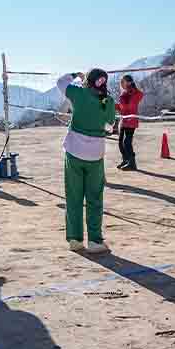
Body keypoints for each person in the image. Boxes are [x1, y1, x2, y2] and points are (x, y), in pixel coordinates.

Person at [58, 68, 116, 254]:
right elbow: (110, 125)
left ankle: (75, 239)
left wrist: (75, 74)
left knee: (73, 196)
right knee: (94, 198)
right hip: (95, 154)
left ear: (88, 80)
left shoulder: (79, 92)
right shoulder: (107, 100)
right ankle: (95, 241)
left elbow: (60, 81)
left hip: (74, 151)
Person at [113, 74, 144, 171]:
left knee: (127, 142)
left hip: (131, 120)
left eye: (123, 82)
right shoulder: (125, 93)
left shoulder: (134, 93)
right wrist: (112, 105)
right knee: (121, 143)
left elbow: (129, 106)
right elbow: (123, 107)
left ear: (128, 82)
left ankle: (132, 163)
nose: (121, 84)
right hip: (124, 120)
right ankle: (126, 160)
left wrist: (123, 97)